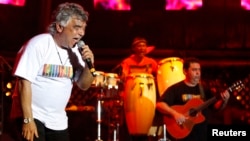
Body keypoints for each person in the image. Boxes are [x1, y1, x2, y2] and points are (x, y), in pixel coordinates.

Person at [10, 2, 94, 141]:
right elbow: (23, 83)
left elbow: (84, 85)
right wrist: (27, 120)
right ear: (59, 26)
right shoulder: (38, 45)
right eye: (77, 27)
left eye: (83, 28)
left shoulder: (76, 52)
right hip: (32, 115)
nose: (81, 33)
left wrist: (88, 64)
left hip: (57, 121)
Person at [156, 57, 230, 141]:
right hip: (182, 134)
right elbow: (160, 105)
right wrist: (175, 114)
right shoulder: (176, 89)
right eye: (194, 70)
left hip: (201, 135)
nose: (198, 73)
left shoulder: (204, 90)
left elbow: (216, 108)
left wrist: (225, 100)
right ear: (185, 71)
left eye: (199, 70)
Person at [116, 37, 158, 141]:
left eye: (144, 46)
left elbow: (159, 76)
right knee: (130, 125)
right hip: (132, 96)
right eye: (139, 46)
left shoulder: (151, 62)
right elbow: (123, 77)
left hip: (147, 96)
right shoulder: (127, 61)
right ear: (134, 48)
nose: (142, 48)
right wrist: (123, 77)